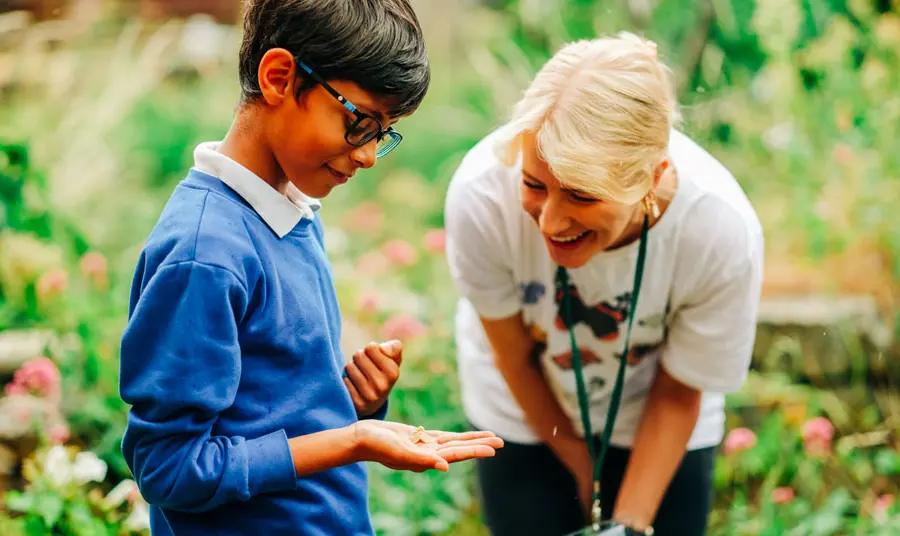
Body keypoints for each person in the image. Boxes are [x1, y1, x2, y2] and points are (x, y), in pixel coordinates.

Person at [118, 2, 503, 535]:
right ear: (279, 78)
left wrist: (350, 405)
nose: (368, 155)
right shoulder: (205, 253)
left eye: (382, 134)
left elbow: (268, 417)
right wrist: (352, 440)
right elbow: (169, 468)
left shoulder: (291, 214)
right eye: (360, 122)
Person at [444, 32, 764, 536]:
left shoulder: (720, 230)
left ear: (651, 176)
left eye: (581, 195)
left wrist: (629, 524)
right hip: (523, 406)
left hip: (659, 415)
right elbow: (513, 353)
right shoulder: (480, 195)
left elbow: (680, 392)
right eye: (534, 185)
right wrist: (580, 465)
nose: (550, 223)